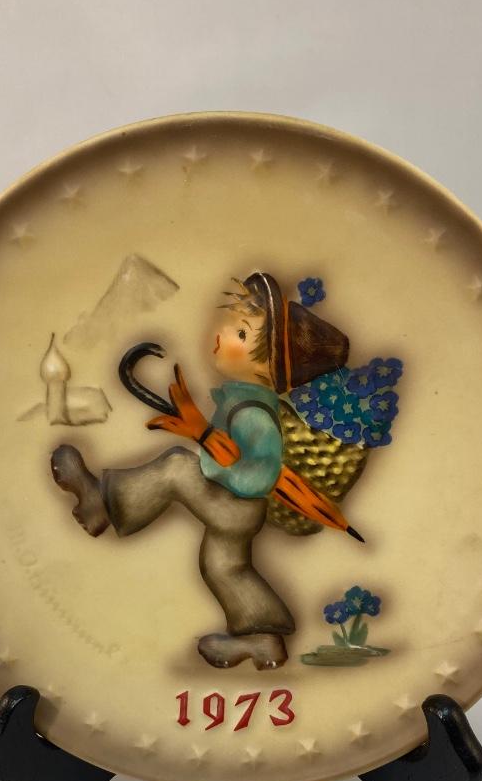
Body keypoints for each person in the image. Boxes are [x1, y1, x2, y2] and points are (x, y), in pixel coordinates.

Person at [50, 271, 348, 670]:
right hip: (237, 509)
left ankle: (102, 502)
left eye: (240, 334)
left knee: (176, 467)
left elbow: (260, 476)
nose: (222, 333)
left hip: (235, 505)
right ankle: (263, 640)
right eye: (231, 324)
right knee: (225, 568)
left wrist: (212, 452)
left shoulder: (255, 413)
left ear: (270, 368)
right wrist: (208, 440)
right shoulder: (242, 399)